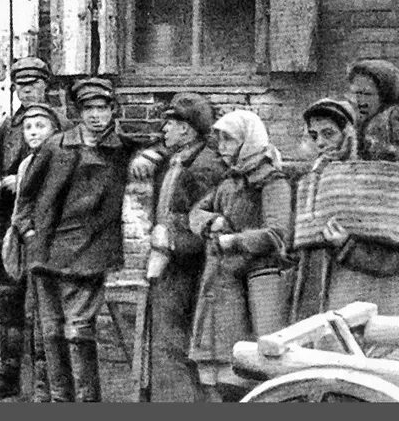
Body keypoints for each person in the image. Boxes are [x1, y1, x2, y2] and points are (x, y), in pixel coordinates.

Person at [12, 77, 164, 402]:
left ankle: (87, 401)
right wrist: (27, 231)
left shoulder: (121, 148)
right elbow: (26, 196)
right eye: (89, 109)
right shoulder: (56, 145)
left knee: (79, 333)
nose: (96, 116)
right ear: (79, 112)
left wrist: (149, 157)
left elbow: (164, 143)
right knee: (50, 333)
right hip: (45, 250)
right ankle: (59, 400)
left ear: (112, 111)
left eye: (102, 108)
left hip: (88, 253)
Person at [0, 56, 68, 401]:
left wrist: (24, 179)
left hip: (44, 224)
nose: (27, 91)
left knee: (44, 302)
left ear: (46, 85)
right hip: (8, 221)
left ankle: (45, 380)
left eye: (33, 84)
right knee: (8, 297)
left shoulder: (61, 127)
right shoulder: (8, 127)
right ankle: (6, 372)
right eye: (20, 85)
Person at [187, 109, 292, 401]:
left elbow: (278, 233)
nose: (221, 146)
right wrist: (212, 222)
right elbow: (195, 213)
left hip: (255, 282)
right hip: (220, 283)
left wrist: (234, 241)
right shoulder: (229, 180)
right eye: (219, 139)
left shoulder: (271, 181)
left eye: (229, 139)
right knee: (218, 371)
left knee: (249, 370)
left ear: (248, 140)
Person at [144, 93, 225, 403]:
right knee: (166, 340)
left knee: (175, 343)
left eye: (171, 123)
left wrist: (171, 238)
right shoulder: (177, 159)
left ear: (188, 130)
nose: (164, 129)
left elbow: (202, 222)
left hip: (189, 268)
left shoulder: (204, 166)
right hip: (170, 262)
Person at [291, 98, 399, 321]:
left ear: (349, 133)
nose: (320, 142)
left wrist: (346, 244)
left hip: (366, 295)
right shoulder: (312, 181)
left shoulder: (377, 177)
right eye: (314, 135)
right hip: (321, 295)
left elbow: (391, 259)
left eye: (329, 133)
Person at [0, 102, 63, 403]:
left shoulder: (63, 161)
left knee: (52, 326)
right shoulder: (25, 165)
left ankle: (57, 391)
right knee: (32, 321)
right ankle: (39, 391)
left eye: (41, 126)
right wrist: (25, 231)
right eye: (28, 128)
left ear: (55, 131)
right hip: (31, 252)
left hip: (56, 254)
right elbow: (21, 209)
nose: (34, 132)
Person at [346, 58, 399, 162]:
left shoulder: (393, 119)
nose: (361, 101)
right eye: (356, 93)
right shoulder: (356, 122)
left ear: (385, 96)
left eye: (367, 94)